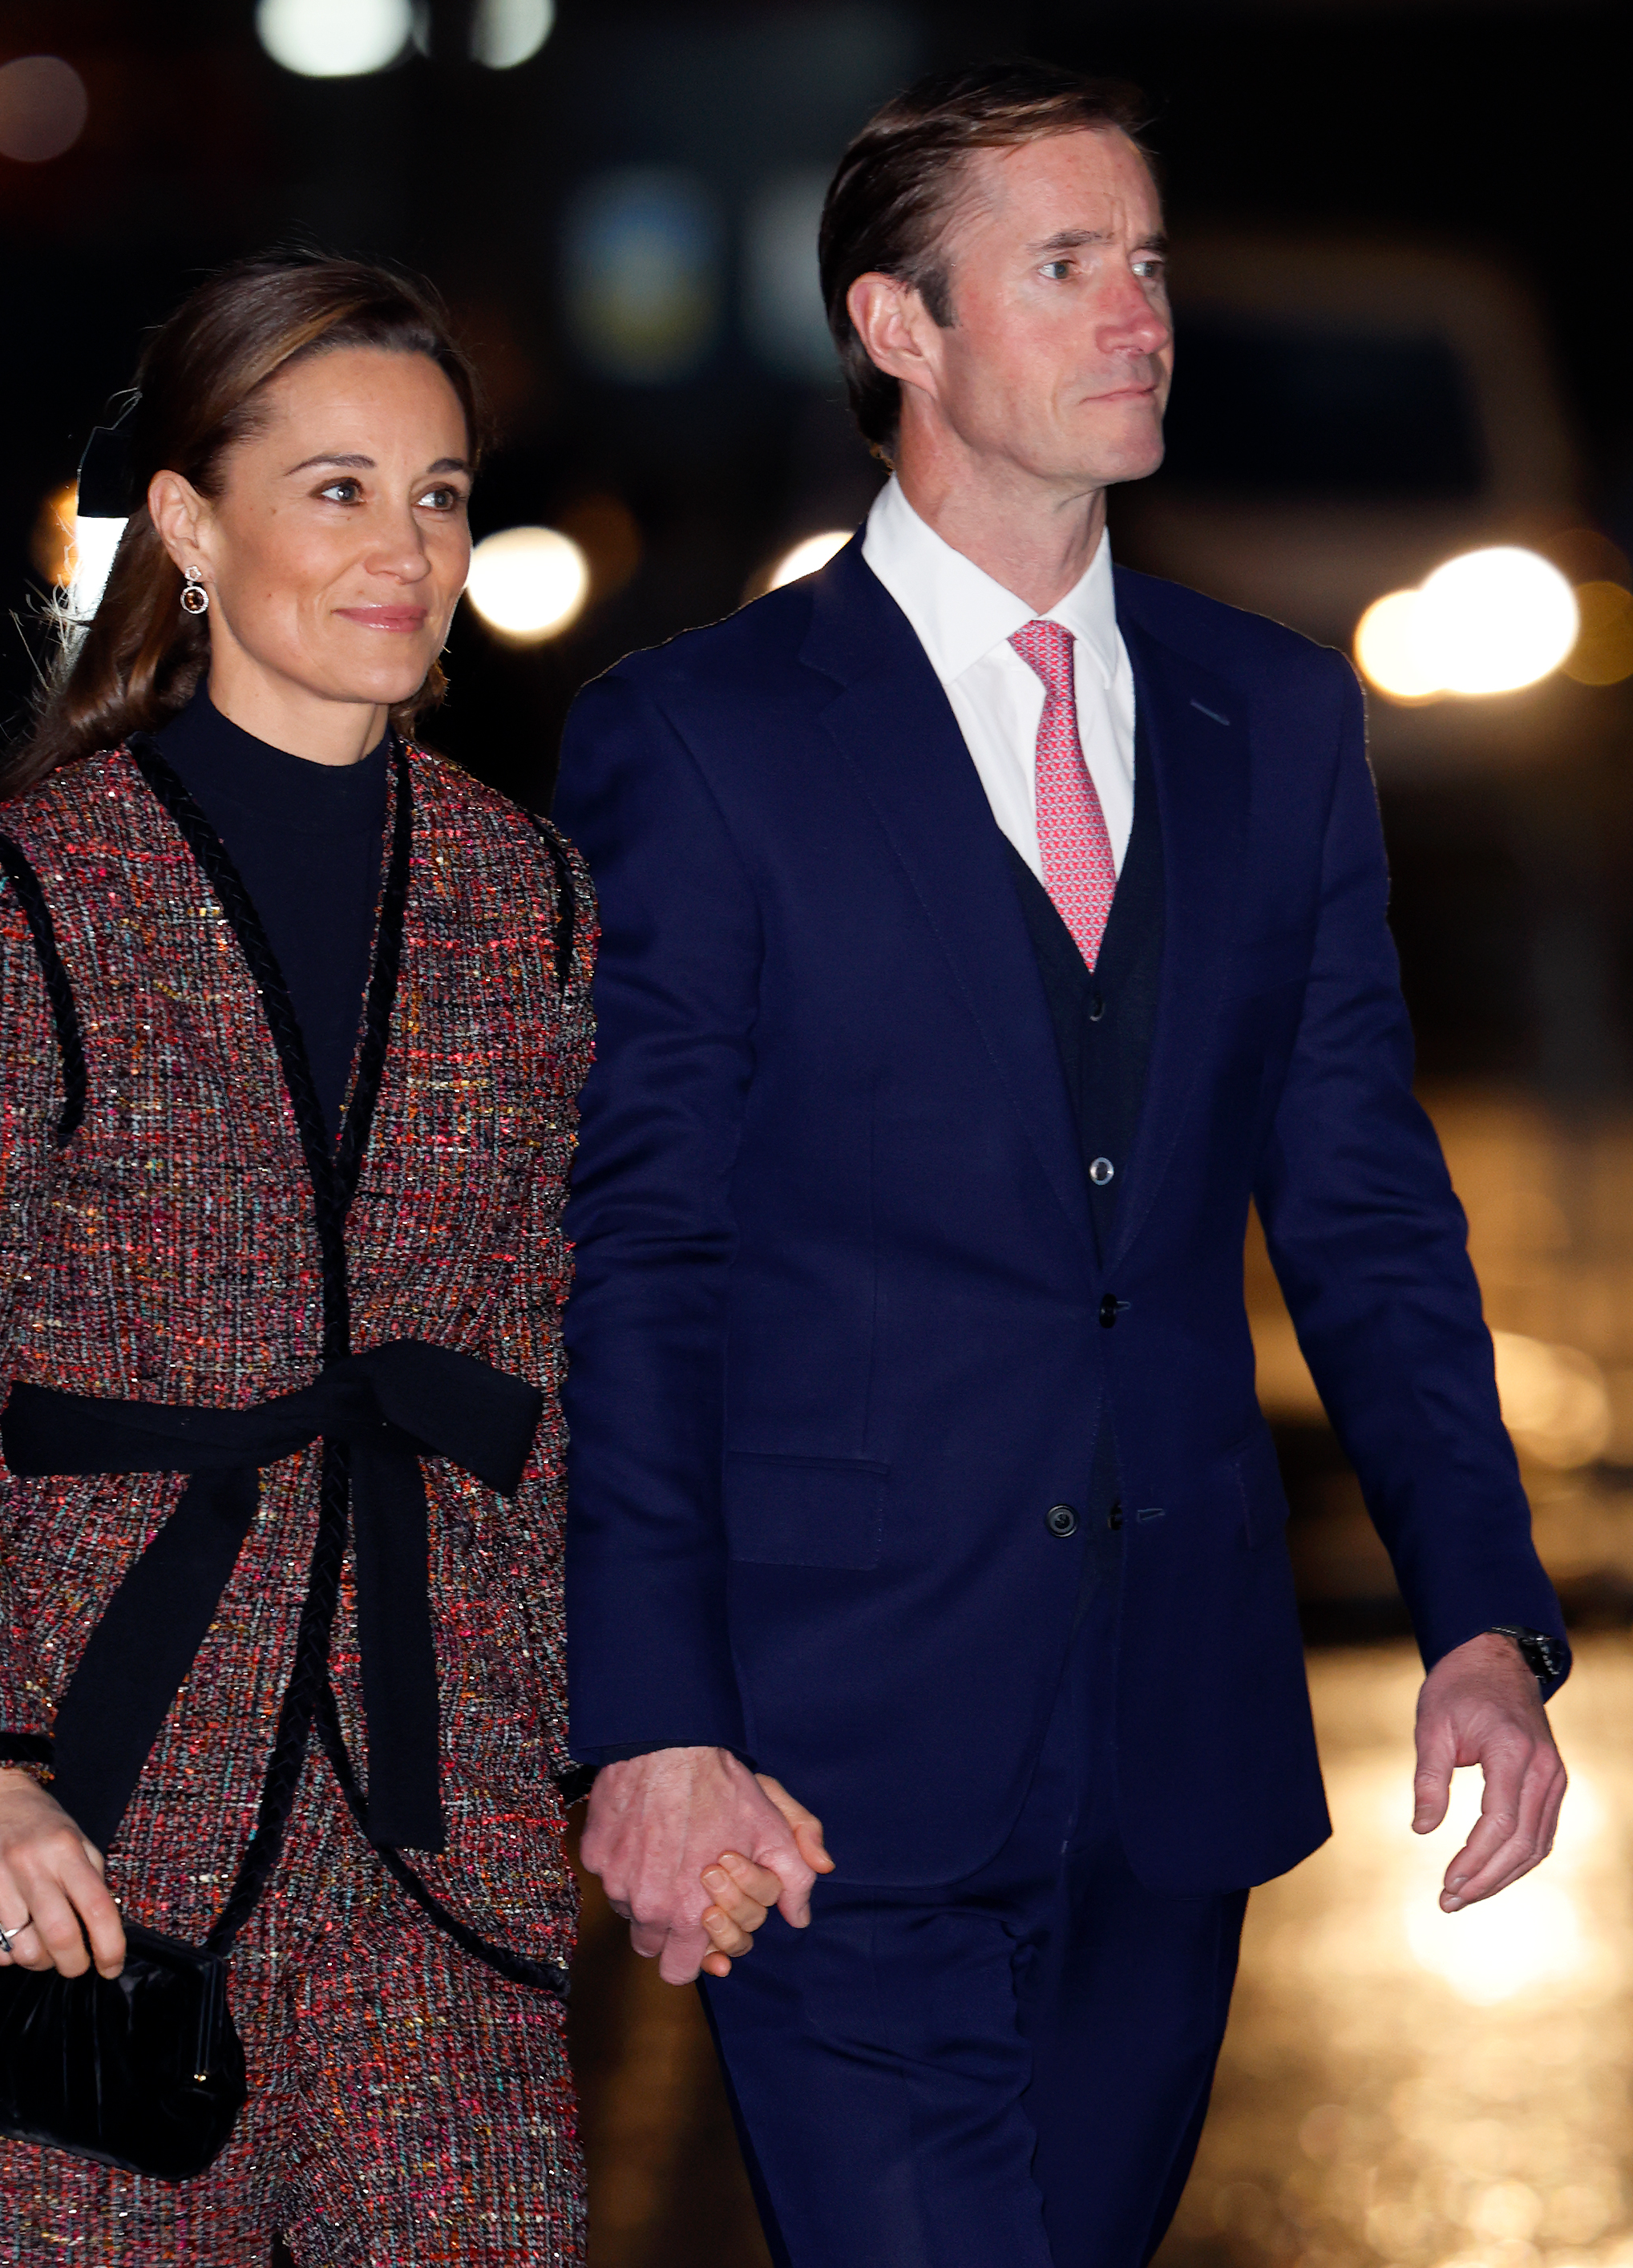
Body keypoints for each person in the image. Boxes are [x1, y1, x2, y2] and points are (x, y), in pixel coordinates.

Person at [553, 60, 1572, 2268]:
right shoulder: (704, 736)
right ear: (897, 328)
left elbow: (1366, 1201)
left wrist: (1481, 1605)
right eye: (1064, 267)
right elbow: (641, 1254)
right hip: (827, 1758)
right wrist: (649, 1718)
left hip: (1172, 1747)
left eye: (1149, 263)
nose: (1139, 316)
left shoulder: (1274, 716)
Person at [0, 251, 685, 2266]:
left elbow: (555, 1367)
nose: (406, 546)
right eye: (339, 488)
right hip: (93, 1843)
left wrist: (628, 1724)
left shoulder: (527, 893)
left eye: (443, 491)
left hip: (440, 1844)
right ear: (191, 526)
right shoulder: (12, 896)